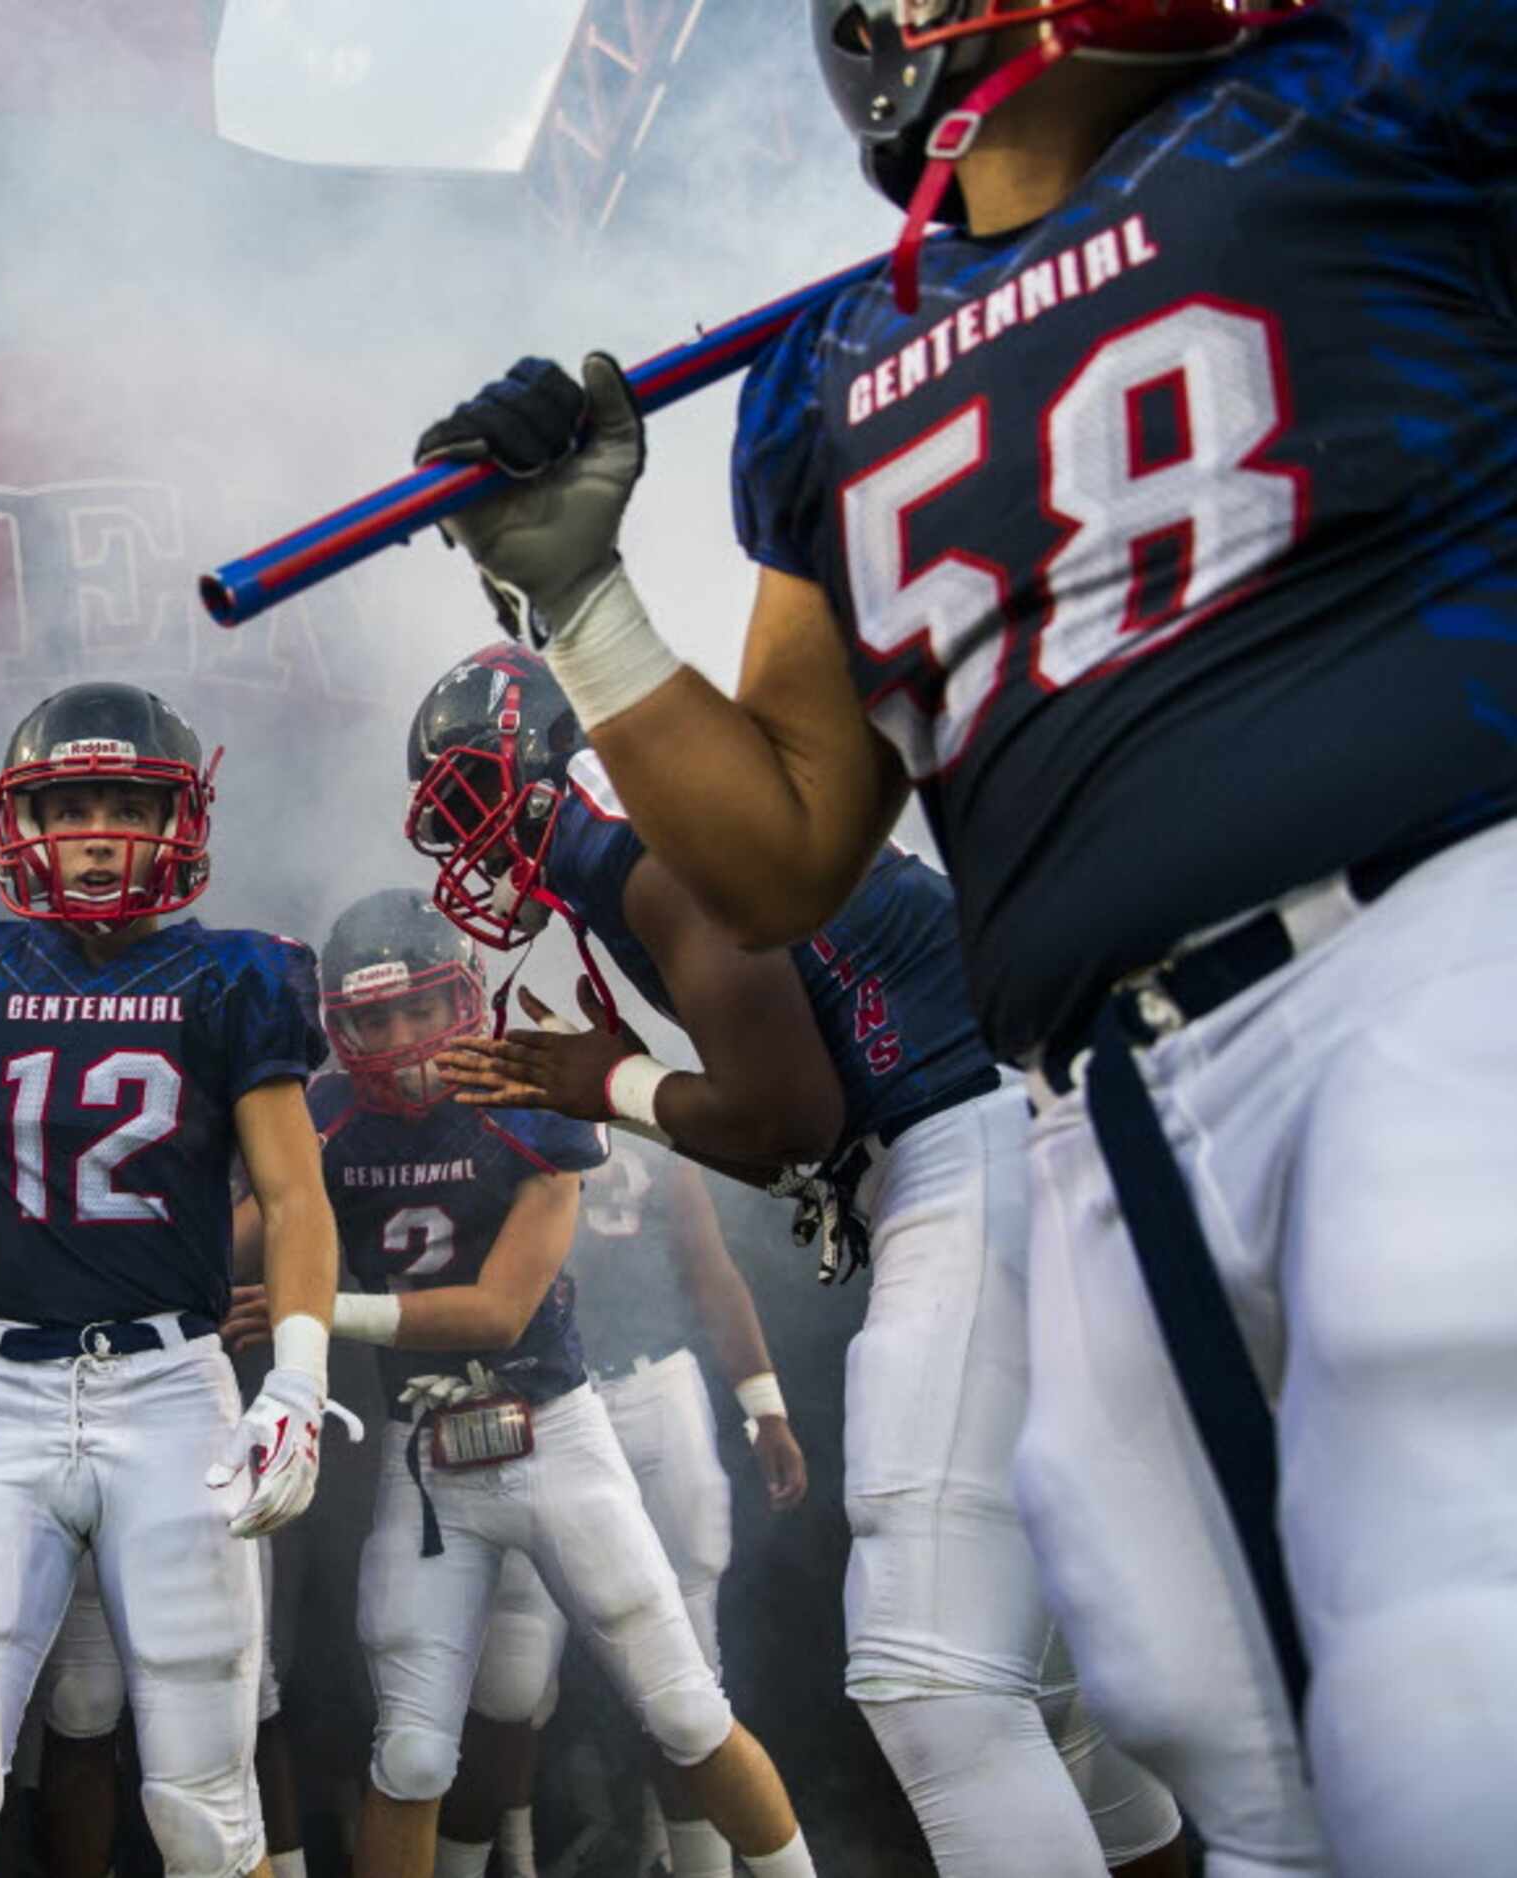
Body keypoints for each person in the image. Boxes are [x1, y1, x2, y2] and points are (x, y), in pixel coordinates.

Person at [404, 3, 1517, 1870]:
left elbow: (759, 1074)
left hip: (1419, 945)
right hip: (1097, 1095)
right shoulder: (836, 365)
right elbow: (776, 852)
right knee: (1209, 1707)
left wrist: (603, 1076)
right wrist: (582, 596)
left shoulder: (1364, 91)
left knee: (1446, 1664)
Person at [414, 647, 1179, 1875]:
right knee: (1051, 1680)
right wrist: (631, 1085)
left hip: (976, 1159)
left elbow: (793, 1121)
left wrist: (604, 1081)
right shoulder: (659, 839)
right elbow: (803, 1151)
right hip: (1025, 1141)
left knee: (930, 1675)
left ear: (541, 764)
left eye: (466, 799)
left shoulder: (645, 851)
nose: (467, 845)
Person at [0, 680, 344, 1878]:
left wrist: (296, 1383)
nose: (98, 831)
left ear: (183, 819)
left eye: (128, 803)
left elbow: (296, 1198)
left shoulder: (236, 975)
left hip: (169, 1387)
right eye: (70, 803)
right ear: (19, 822)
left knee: (206, 1815)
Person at [236, 886, 815, 1878]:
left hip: (556, 1434)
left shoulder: (526, 1099)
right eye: (375, 1017)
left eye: (421, 1006)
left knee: (684, 1706)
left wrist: (313, 1309)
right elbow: (223, 1250)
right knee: (413, 1750)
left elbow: (500, 1310)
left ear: (465, 995)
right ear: (340, 1024)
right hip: (428, 1465)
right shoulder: (324, 1121)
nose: (404, 1035)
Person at [446, 1140, 805, 1878]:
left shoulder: (641, 1105)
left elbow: (705, 1264)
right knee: (509, 1679)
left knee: (687, 1667)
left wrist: (763, 1405)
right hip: (533, 1394)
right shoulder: (481, 1106)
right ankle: (507, 1862)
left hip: (649, 1388)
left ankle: (693, 1867)